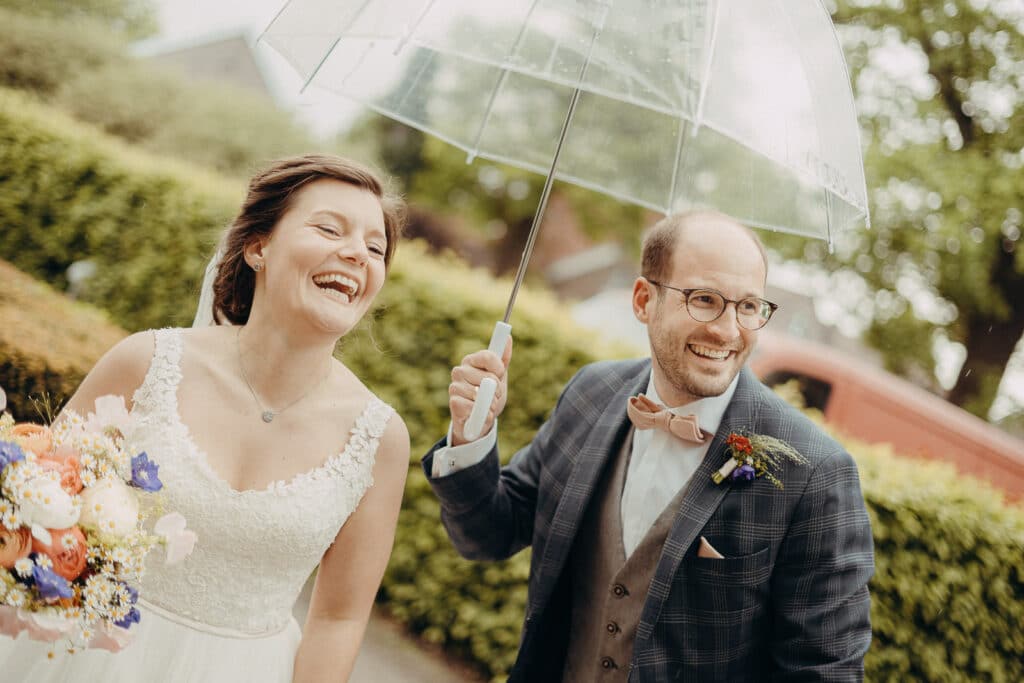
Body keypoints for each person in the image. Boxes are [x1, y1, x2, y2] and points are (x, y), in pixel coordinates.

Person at [0, 154, 410, 682]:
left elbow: (338, 618)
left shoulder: (379, 438)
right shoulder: (144, 363)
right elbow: (37, 509)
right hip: (88, 657)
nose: (357, 253)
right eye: (330, 228)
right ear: (258, 247)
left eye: (376, 248)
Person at [423, 211, 875, 681]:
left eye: (748, 307)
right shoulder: (591, 393)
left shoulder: (815, 472)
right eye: (704, 299)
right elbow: (488, 534)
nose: (727, 330)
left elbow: (824, 672)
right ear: (644, 300)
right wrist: (471, 434)